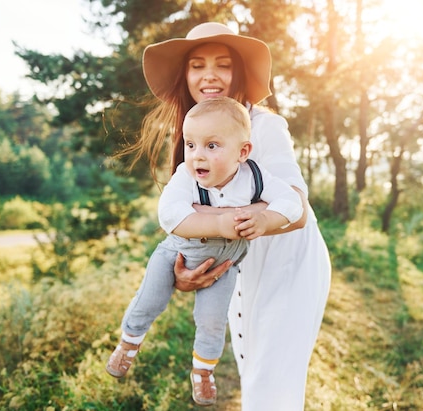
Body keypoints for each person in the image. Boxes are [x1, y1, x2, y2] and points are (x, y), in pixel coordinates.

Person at [137, 22, 331, 410]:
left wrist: (235, 220)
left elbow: (298, 210)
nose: (209, 74)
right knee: (253, 372)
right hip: (240, 269)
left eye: (222, 65)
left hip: (286, 264)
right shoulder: (194, 138)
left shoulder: (264, 127)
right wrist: (184, 272)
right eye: (197, 65)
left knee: (270, 390)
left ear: (238, 74)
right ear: (185, 76)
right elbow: (187, 220)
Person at [106, 97, 303, 406]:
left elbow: (293, 204)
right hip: (175, 254)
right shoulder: (186, 176)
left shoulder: (256, 178)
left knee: (212, 320)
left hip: (224, 265)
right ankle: (128, 344)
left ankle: (203, 372)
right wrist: (219, 224)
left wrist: (265, 219)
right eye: (191, 145)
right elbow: (170, 216)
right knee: (149, 301)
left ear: (243, 152)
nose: (198, 155)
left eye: (212, 146)